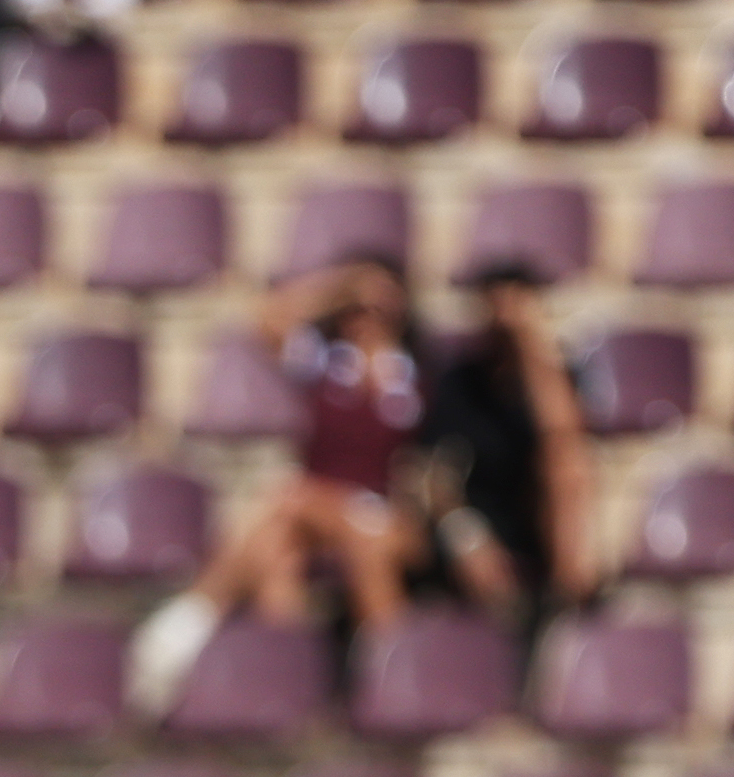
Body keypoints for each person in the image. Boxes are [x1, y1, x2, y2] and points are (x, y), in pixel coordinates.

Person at [125, 255, 425, 718]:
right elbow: (267, 318)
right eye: (357, 310)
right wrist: (339, 285)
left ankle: (186, 622)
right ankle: (294, 680)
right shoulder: (328, 364)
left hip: (386, 512)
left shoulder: (416, 376)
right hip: (325, 513)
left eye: (377, 310)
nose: (365, 320)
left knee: (295, 508)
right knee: (277, 553)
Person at [421, 260, 598, 629]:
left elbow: (562, 434)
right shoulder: (460, 382)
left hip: (538, 516)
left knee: (566, 465)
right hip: (481, 518)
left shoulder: (555, 376)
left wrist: (529, 345)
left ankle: (566, 601)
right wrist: (467, 538)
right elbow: (437, 475)